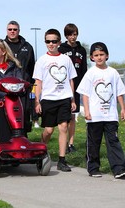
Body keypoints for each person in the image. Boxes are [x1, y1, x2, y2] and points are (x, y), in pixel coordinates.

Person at [76, 42, 125, 178]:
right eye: (96, 55)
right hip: (95, 115)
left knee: (113, 141)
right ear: (91, 57)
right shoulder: (91, 73)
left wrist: (122, 109)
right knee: (93, 142)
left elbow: (119, 92)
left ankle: (119, 169)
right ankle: (93, 167)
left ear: (107, 55)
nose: (99, 57)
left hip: (110, 115)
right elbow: (84, 94)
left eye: (101, 55)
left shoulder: (113, 72)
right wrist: (87, 111)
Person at [33, 29, 77, 172]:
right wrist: (37, 101)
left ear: (59, 42)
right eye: (48, 41)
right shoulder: (41, 61)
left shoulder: (66, 59)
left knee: (63, 127)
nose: (51, 44)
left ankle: (62, 160)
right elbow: (38, 83)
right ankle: (41, 150)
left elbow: (70, 80)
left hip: (64, 98)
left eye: (53, 41)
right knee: (49, 130)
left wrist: (72, 99)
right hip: (48, 99)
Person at [58, 23, 87, 153]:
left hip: (78, 84)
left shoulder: (82, 50)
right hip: (64, 85)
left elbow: (84, 68)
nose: (73, 37)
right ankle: (63, 141)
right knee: (65, 115)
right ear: (66, 36)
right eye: (70, 34)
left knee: (73, 116)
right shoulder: (62, 49)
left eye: (74, 34)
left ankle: (71, 143)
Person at [4, 21, 36, 134]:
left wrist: (30, 82)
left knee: (24, 113)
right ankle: (7, 138)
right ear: (7, 31)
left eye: (15, 29)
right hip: (6, 87)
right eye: (10, 29)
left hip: (23, 87)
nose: (12, 31)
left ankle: (23, 137)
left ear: (19, 31)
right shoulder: (2, 46)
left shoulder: (27, 47)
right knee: (7, 113)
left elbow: (32, 67)